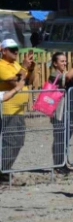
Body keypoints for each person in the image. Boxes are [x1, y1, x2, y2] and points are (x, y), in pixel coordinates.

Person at [48, 52, 73, 171]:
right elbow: (68, 78)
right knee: (59, 138)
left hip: (70, 110)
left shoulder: (67, 73)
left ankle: (62, 163)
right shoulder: (53, 75)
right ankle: (58, 164)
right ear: (55, 63)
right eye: (62, 61)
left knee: (66, 138)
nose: (64, 63)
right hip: (59, 111)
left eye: (65, 61)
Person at [0, 39, 34, 173]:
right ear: (3, 51)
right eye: (12, 48)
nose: (16, 51)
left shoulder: (15, 65)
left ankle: (5, 169)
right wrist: (24, 68)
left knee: (19, 141)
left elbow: (28, 82)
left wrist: (31, 68)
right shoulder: (1, 65)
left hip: (19, 110)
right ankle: (3, 172)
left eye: (16, 48)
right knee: (10, 141)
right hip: (8, 110)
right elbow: (16, 83)